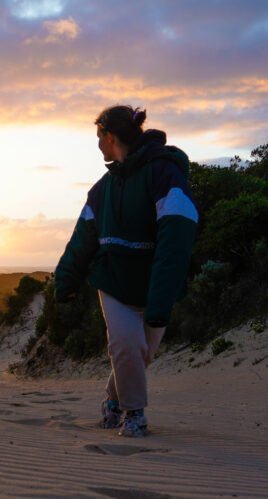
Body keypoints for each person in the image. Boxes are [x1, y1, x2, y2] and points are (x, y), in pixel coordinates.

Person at [52, 105, 198, 437]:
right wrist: (66, 280)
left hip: (153, 285)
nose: (98, 145)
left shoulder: (165, 174)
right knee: (125, 347)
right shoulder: (103, 188)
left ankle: (113, 402)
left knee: (139, 355)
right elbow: (83, 238)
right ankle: (134, 414)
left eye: (98, 137)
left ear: (110, 135)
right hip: (114, 282)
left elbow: (175, 242)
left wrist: (161, 300)